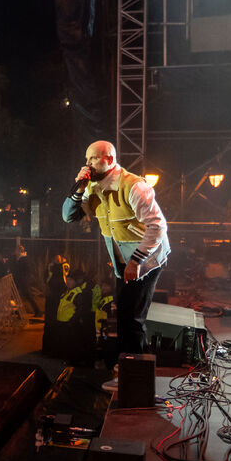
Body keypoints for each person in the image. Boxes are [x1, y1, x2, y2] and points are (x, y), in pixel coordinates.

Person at [63, 140, 170, 381]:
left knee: (131, 317)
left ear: (109, 159)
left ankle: (135, 376)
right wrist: (79, 187)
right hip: (124, 261)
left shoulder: (134, 186)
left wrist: (136, 261)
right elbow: (68, 216)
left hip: (147, 259)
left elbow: (158, 226)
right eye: (86, 158)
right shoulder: (91, 187)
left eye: (93, 158)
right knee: (123, 314)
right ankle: (129, 368)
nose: (87, 164)